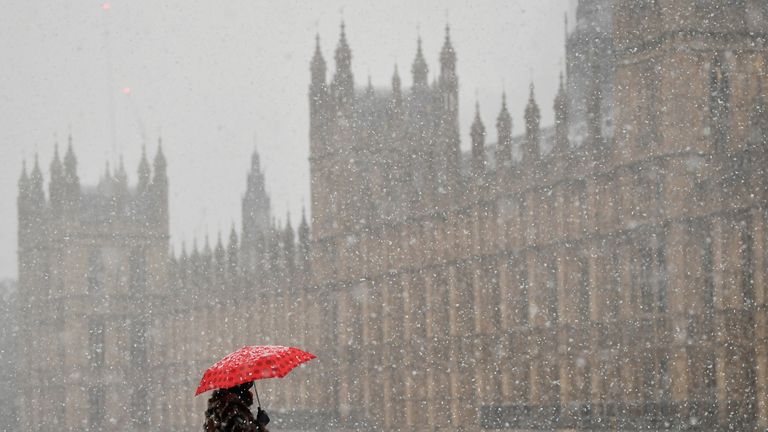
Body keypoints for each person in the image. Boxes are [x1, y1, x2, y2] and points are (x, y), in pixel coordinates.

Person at [204, 381, 270, 432]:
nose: (251, 393)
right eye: (247, 388)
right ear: (240, 389)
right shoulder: (233, 408)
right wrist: (260, 424)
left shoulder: (217, 407)